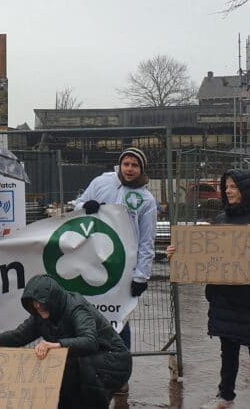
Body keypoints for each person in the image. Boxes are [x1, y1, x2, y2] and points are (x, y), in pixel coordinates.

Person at [166, 169, 250, 409]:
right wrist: (178, 255)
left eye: (233, 187)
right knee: (228, 352)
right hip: (224, 302)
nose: (227, 191)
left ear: (246, 191)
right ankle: (225, 396)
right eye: (226, 186)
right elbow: (208, 258)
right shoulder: (220, 221)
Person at [0, 274, 131, 409]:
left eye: (41, 301)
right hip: (87, 360)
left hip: (113, 359)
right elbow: (20, 335)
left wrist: (57, 345)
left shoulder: (76, 307)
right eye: (34, 302)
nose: (37, 305)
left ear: (54, 299)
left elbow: (90, 341)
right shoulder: (39, 314)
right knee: (66, 368)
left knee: (75, 367)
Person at [75, 147, 157, 357]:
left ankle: (120, 368)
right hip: (93, 259)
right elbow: (77, 206)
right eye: (126, 164)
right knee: (89, 315)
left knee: (118, 318)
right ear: (120, 165)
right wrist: (86, 205)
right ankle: (93, 365)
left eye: (135, 165)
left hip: (123, 267)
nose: (130, 169)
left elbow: (147, 241)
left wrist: (141, 276)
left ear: (142, 169)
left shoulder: (146, 200)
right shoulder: (101, 182)